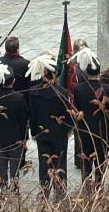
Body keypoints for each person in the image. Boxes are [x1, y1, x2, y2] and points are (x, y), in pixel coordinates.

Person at [28, 54, 73, 200]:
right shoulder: (62, 92)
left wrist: (34, 132)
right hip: (59, 134)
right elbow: (68, 117)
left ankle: (45, 190)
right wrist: (65, 132)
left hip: (42, 134)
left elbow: (32, 115)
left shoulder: (34, 92)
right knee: (60, 163)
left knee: (44, 164)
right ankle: (60, 191)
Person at [70, 48, 109, 186]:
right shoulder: (107, 89)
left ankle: (87, 186)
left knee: (86, 161)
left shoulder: (78, 88)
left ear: (87, 72)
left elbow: (77, 105)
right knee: (101, 159)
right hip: (101, 129)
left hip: (85, 128)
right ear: (99, 71)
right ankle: (99, 185)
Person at [0, 62, 29, 191]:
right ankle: (14, 188)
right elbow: (23, 119)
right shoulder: (19, 97)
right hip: (16, 137)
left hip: (0, 136)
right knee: (15, 166)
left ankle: (3, 188)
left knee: (2, 165)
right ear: (14, 80)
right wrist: (24, 137)